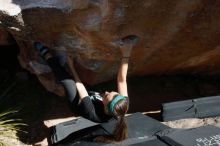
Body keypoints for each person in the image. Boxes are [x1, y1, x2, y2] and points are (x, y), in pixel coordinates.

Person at [34, 35, 139, 142]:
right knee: (81, 83)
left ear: (106, 109)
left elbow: (80, 86)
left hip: (78, 104)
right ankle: (59, 63)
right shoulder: (122, 103)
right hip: (93, 97)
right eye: (114, 93)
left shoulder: (92, 112)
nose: (107, 92)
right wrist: (127, 53)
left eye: (107, 96)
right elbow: (122, 79)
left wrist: (71, 66)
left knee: (67, 81)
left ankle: (46, 55)